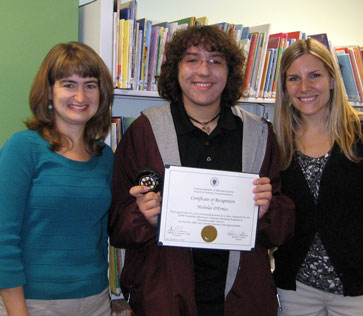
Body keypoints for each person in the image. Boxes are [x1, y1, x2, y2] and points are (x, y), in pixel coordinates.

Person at [108, 26, 295, 316]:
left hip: (241, 300)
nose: (204, 71)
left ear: (230, 71)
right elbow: (117, 228)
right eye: (192, 59)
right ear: (176, 68)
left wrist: (266, 210)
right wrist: (141, 215)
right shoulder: (144, 132)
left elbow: (282, 229)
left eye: (216, 61)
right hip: (166, 299)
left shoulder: (259, 135)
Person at [272, 38, 363, 316]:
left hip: (359, 289)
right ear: (284, 87)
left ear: (332, 80)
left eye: (314, 75)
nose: (304, 87)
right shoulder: (277, 141)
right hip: (296, 289)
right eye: (294, 78)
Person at [0, 42, 114, 316]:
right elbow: (4, 241)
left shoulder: (105, 157)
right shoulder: (23, 148)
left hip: (96, 301)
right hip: (33, 304)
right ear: (49, 91)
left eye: (90, 85)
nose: (80, 96)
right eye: (69, 84)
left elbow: (102, 233)